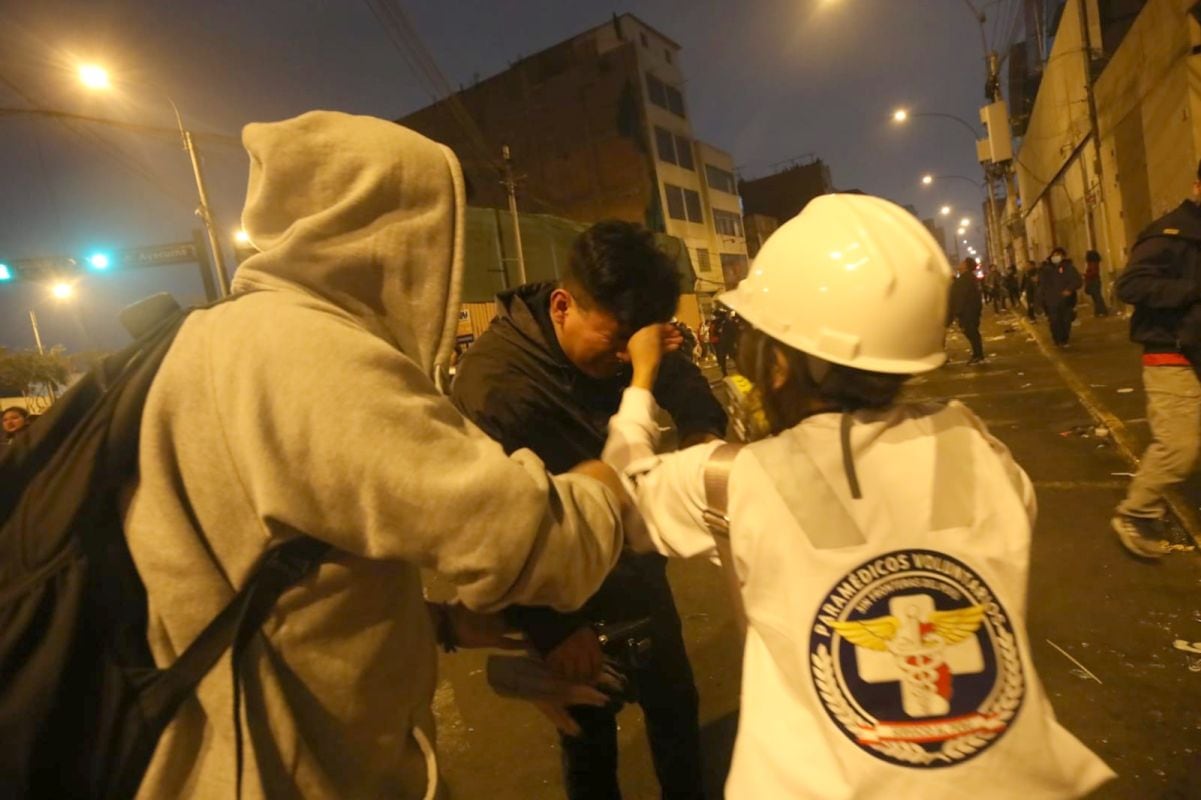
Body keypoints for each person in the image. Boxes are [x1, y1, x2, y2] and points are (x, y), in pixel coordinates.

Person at [122, 111, 631, 799]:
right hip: (297, 776)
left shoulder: (196, 348)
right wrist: (605, 479)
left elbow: (259, 577)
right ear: (385, 229)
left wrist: (445, 624)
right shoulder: (307, 355)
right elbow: (527, 543)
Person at [600, 193, 1114, 799]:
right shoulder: (979, 449)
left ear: (782, 366)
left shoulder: (733, 481)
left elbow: (619, 498)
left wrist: (638, 384)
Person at [452, 219, 723, 800]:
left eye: (638, 344)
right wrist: (554, 630)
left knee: (676, 710)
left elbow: (681, 378)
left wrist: (702, 431)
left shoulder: (626, 331)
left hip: (639, 571)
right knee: (589, 741)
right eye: (614, 342)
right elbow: (491, 527)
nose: (626, 359)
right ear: (561, 305)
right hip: (563, 593)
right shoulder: (495, 384)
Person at [1110, 160, 1201, 558]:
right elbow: (1129, 285)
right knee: (1179, 447)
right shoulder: (1170, 233)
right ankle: (1137, 510)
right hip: (1172, 352)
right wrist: (1192, 289)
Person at [1038, 247, 1082, 347]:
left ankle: (1064, 339)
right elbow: (1042, 286)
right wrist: (1041, 300)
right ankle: (1057, 339)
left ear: (1063, 256)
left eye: (1058, 255)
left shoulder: (1069, 268)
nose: (1055, 257)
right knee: (1054, 320)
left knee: (1066, 320)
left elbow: (1077, 281)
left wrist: (1069, 290)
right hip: (1051, 300)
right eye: (1054, 255)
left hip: (1066, 300)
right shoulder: (1046, 270)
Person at [948, 257, 985, 364]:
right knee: (972, 333)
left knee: (971, 333)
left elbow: (961, 295)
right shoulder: (967, 278)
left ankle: (978, 355)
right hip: (970, 311)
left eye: (962, 263)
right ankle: (977, 354)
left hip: (968, 312)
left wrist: (956, 312)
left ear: (966, 266)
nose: (960, 264)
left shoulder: (966, 279)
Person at [1083, 250, 1110, 317]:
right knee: (1096, 297)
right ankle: (1099, 311)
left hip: (1093, 281)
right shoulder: (1095, 263)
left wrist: (1085, 275)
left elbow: (1093, 273)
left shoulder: (1092, 264)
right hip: (1095, 281)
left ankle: (1102, 311)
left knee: (1097, 297)